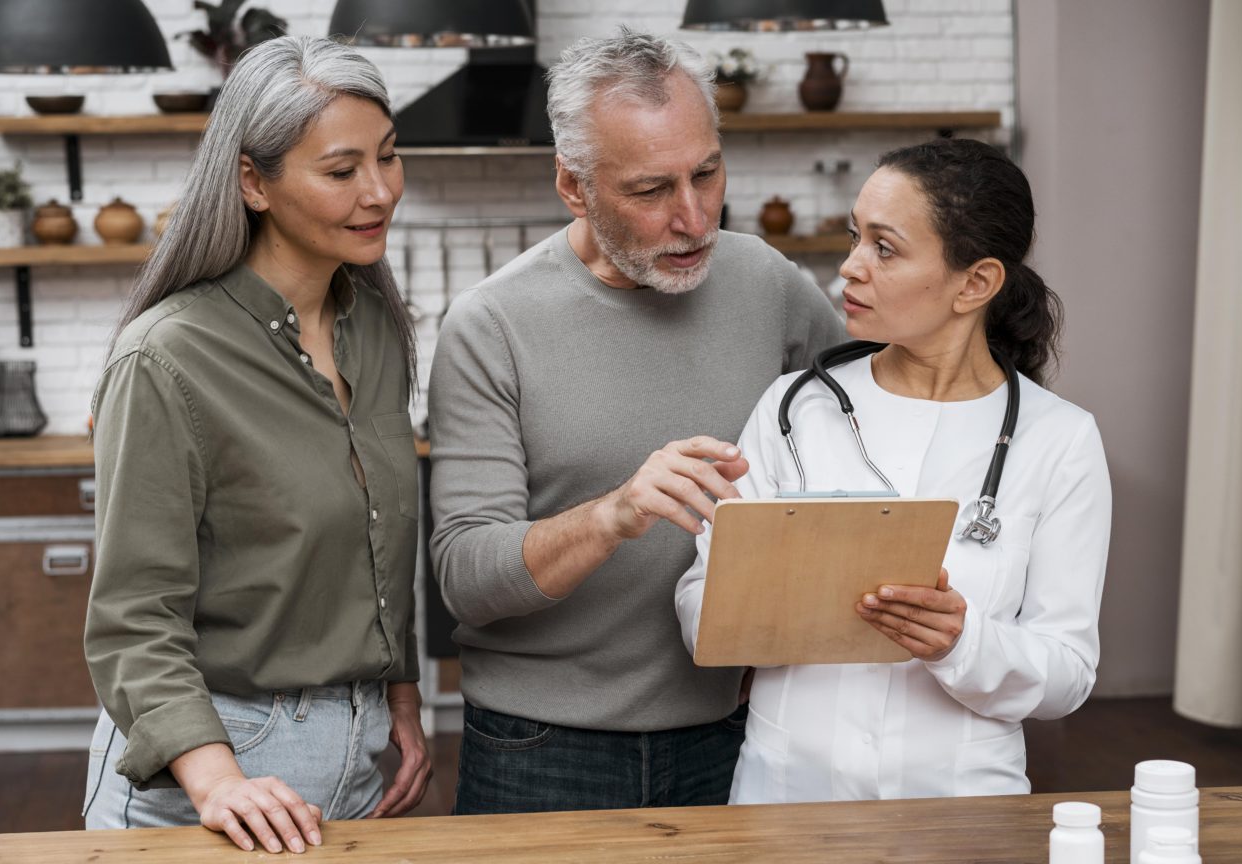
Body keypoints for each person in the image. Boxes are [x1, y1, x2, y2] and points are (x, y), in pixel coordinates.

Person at [428, 28, 843, 814]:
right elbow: (467, 579)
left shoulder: (768, 282)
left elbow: (873, 427)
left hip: (736, 727)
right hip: (540, 751)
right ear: (574, 186)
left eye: (708, 174)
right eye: (651, 191)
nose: (693, 218)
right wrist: (615, 513)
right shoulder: (491, 324)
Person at [675, 137, 1112, 803]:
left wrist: (962, 642)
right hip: (787, 793)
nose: (849, 268)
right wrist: (755, 605)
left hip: (961, 804)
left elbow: (1068, 674)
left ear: (977, 283)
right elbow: (699, 598)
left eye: (884, 247)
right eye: (855, 237)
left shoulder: (1060, 441)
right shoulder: (797, 410)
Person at [82, 36, 430, 852]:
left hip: (359, 753)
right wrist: (219, 781)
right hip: (210, 767)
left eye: (389, 156)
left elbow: (379, 537)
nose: (379, 191)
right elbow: (135, 615)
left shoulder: (375, 329)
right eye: (342, 171)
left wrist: (401, 698)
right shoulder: (166, 357)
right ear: (253, 181)